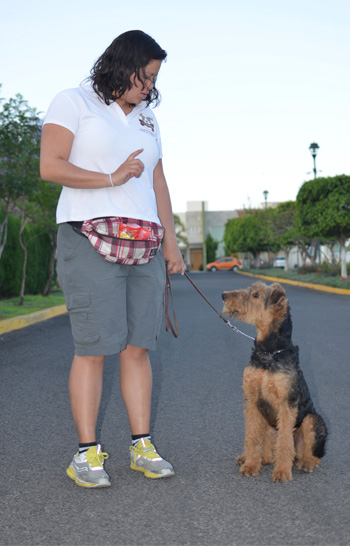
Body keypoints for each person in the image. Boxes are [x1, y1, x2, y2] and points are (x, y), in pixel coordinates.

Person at [40, 30, 184, 488]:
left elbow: (157, 184)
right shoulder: (74, 101)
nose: (148, 87)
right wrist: (111, 176)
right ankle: (86, 454)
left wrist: (172, 242)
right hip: (89, 236)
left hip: (143, 242)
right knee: (95, 347)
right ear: (120, 66)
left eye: (154, 79)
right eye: (143, 77)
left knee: (138, 346)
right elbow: (51, 165)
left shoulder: (148, 119)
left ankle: (141, 445)